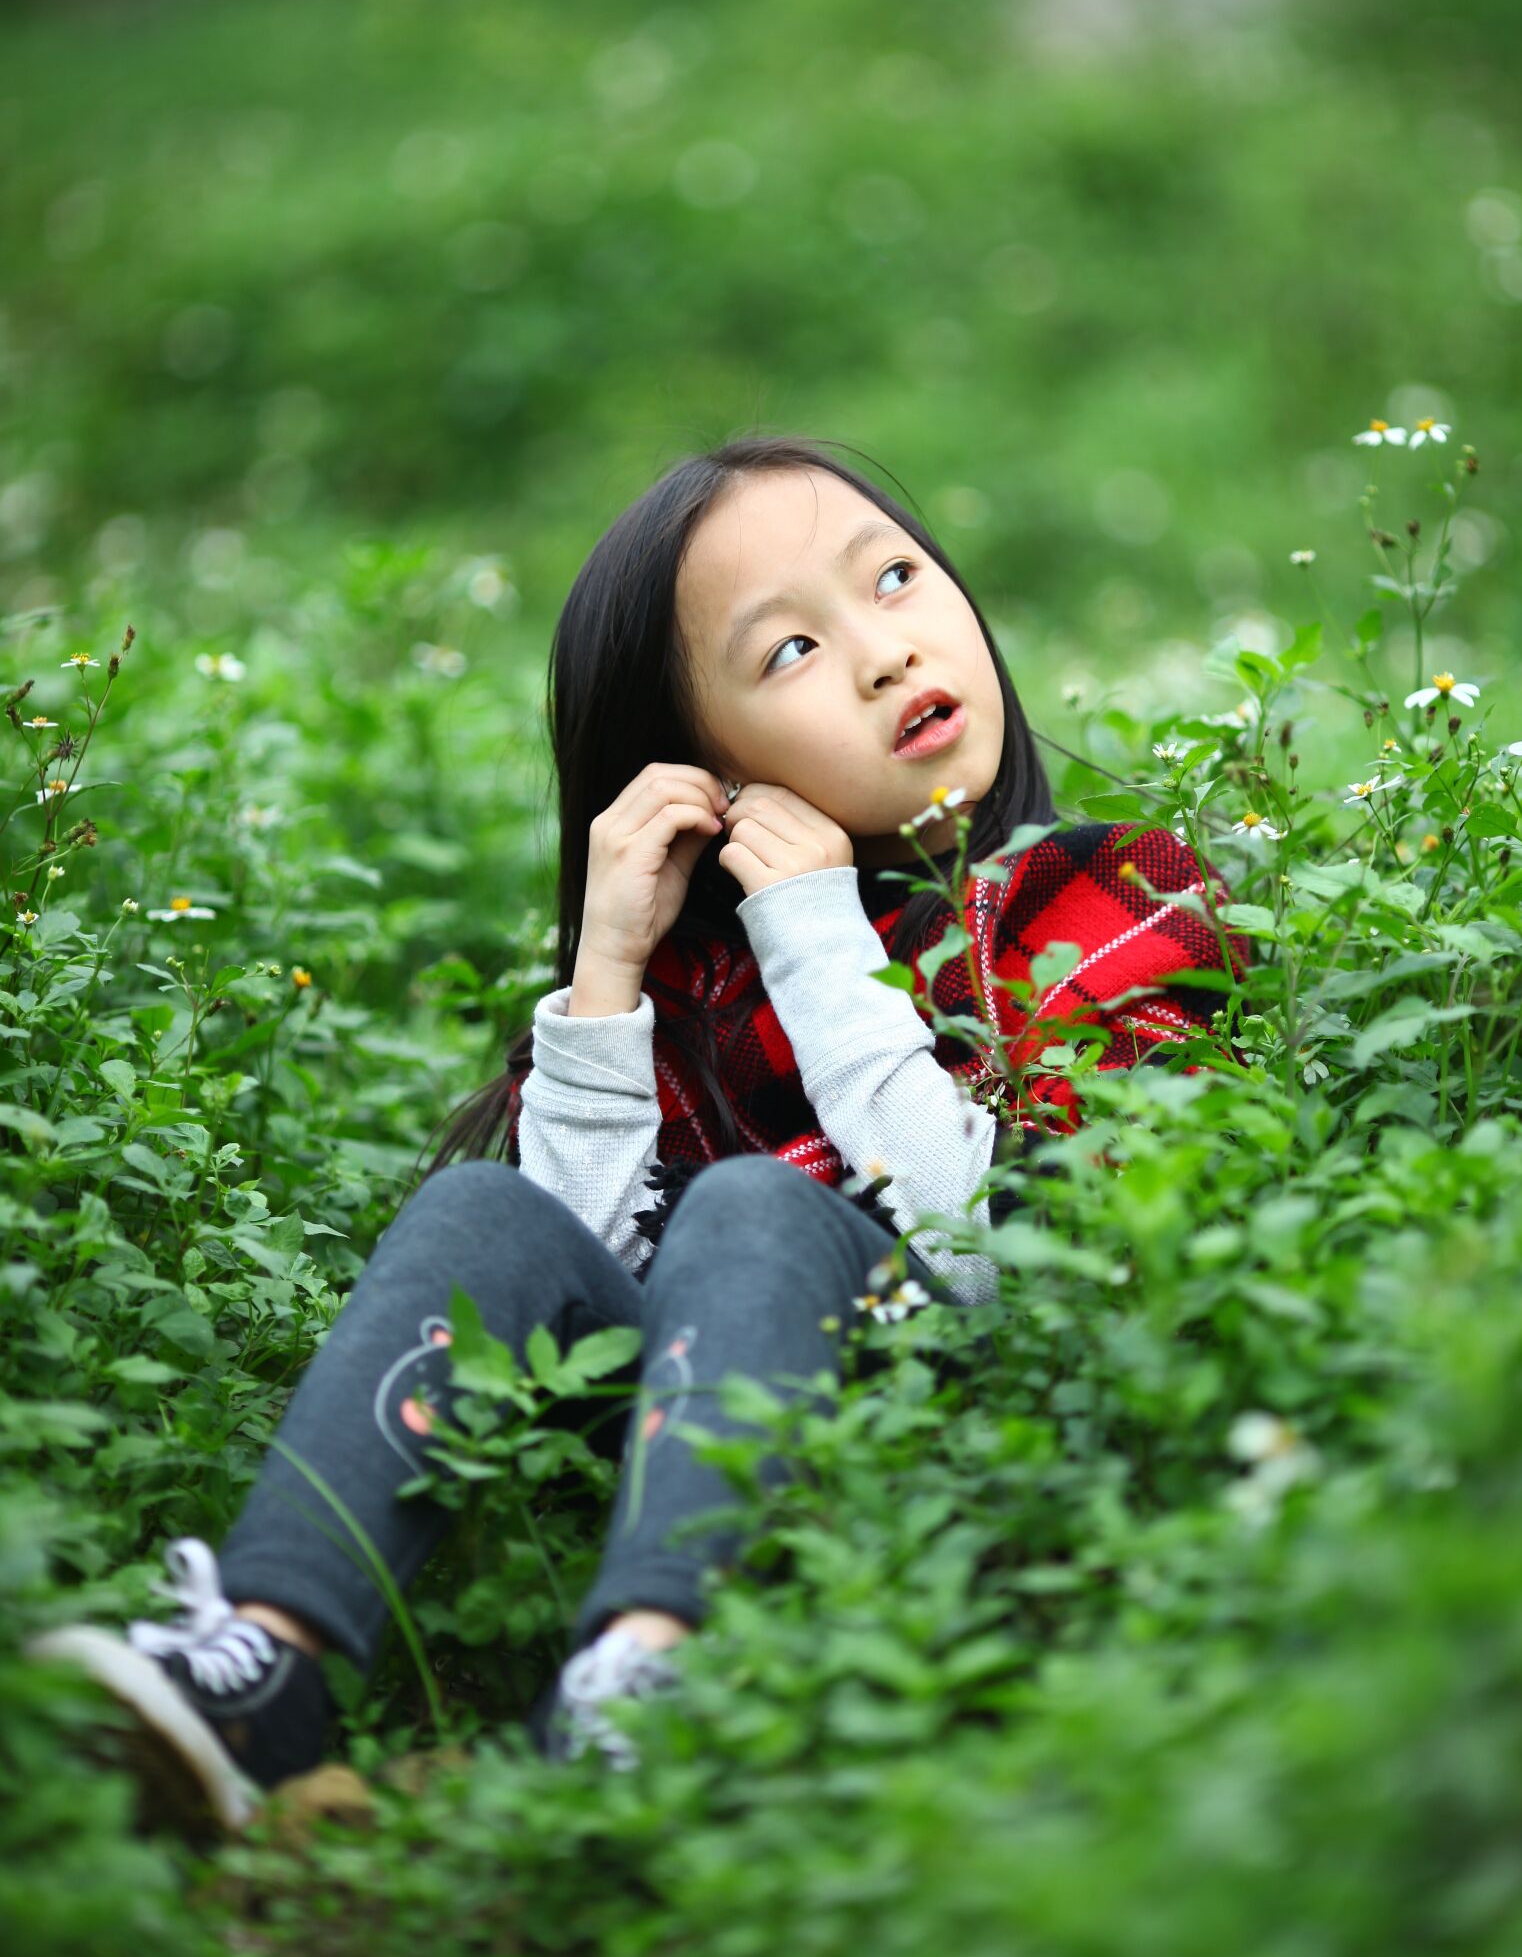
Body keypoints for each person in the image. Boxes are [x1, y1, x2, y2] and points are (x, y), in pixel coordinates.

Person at [26, 434, 1239, 1833]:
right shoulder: (699, 992)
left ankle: (650, 1680)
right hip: (699, 1435)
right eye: (786, 652)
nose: (883, 654)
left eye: (895, 578)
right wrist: (606, 976)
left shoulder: (1106, 894)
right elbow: (567, 1303)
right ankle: (261, 1665)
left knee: (751, 1208)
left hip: (975, 1435)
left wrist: (819, 944)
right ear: (707, 772)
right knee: (486, 1216)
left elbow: (999, 1254)